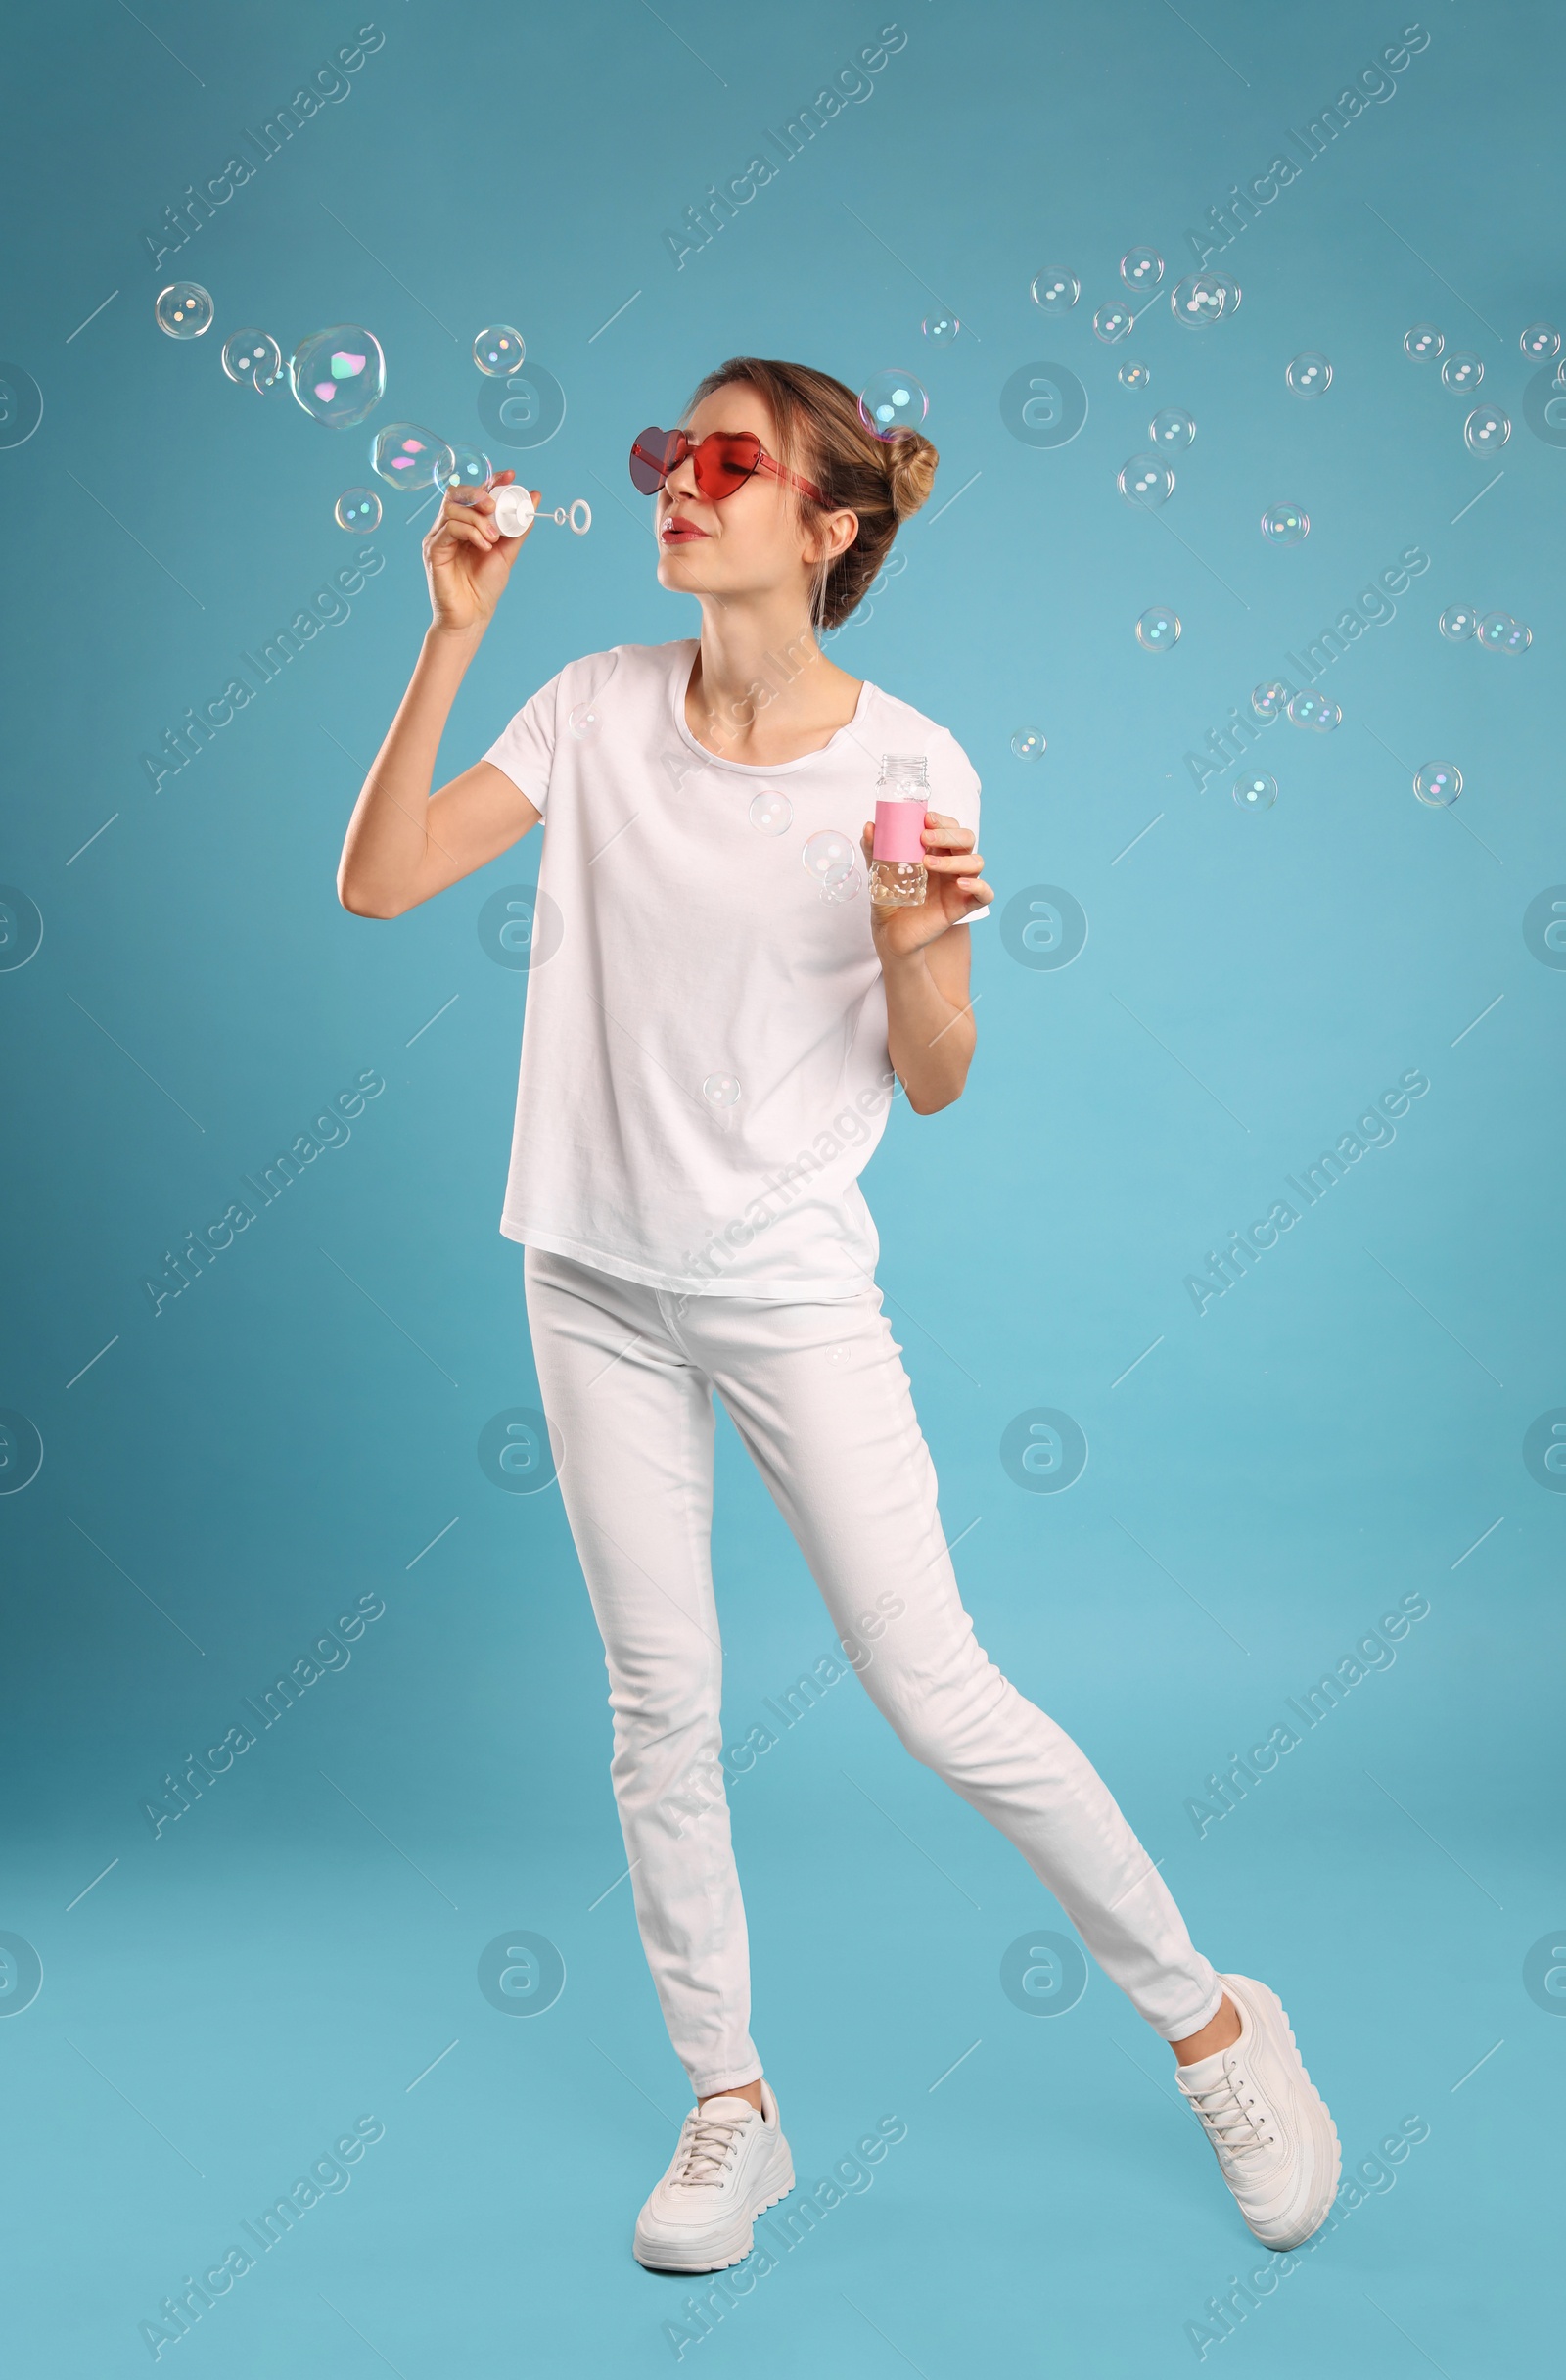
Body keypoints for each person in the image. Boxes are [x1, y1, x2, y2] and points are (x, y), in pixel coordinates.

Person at [336, 355, 1339, 2276]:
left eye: (727, 461)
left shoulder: (911, 769)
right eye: (663, 453)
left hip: (787, 1289)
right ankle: (731, 2104)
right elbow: (379, 881)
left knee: (935, 1691)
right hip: (588, 1275)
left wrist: (908, 943)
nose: (675, 486)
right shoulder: (591, 703)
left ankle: (1214, 2025)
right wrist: (448, 635)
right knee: (660, 1712)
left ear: (828, 522)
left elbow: (938, 1074)